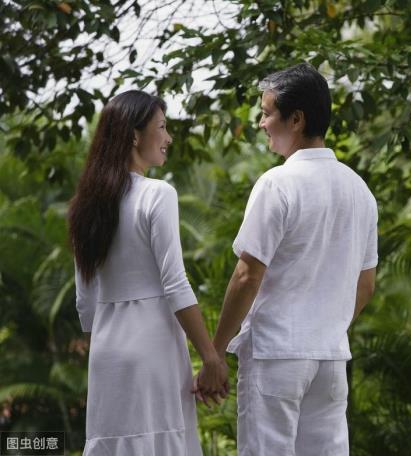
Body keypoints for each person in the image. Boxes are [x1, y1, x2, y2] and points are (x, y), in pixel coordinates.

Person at [195, 62, 378, 455]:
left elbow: (247, 276)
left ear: (296, 119)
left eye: (266, 113)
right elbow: (366, 286)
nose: (261, 123)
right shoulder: (360, 190)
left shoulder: (277, 183)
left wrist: (215, 352)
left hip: (276, 355)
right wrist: (324, 327)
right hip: (330, 360)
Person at [69, 90, 228, 455]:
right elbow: (176, 284)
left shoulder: (84, 206)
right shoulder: (158, 194)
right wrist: (210, 357)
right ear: (134, 135)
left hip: (107, 352)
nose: (168, 137)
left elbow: (85, 301)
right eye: (162, 127)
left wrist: (106, 342)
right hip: (154, 347)